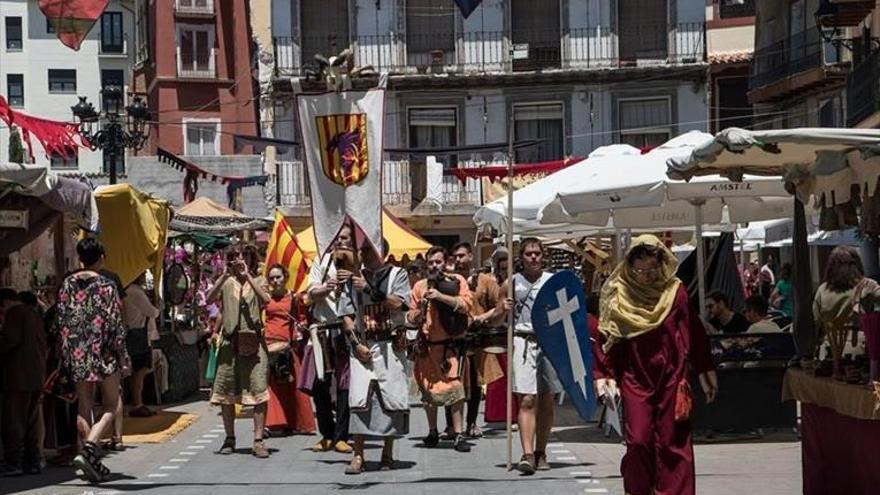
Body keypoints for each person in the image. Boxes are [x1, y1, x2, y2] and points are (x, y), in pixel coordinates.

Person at [594, 235, 717, 495]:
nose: (646, 276)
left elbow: (692, 331)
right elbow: (608, 336)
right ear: (630, 265)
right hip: (634, 377)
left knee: (674, 441)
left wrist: (705, 369)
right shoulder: (619, 293)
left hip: (672, 376)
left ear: (661, 265)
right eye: (640, 270)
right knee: (638, 440)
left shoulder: (675, 292)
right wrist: (604, 373)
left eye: (652, 270)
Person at [55, 238, 127, 482]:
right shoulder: (107, 285)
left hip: (76, 353)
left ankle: (88, 456)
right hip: (103, 353)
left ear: (80, 258)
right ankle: (88, 450)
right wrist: (122, 354)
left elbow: (60, 321)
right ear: (102, 258)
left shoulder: (66, 284)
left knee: (83, 405)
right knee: (110, 403)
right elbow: (116, 324)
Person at [339, 239, 412, 475]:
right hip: (364, 347)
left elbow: (400, 304)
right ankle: (358, 454)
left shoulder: (397, 275)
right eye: (363, 250)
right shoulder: (354, 277)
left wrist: (369, 290)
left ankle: (387, 452)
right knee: (360, 400)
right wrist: (356, 344)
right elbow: (346, 315)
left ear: (382, 252)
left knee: (391, 399)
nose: (364, 254)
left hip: (390, 346)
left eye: (368, 249)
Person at [496, 238, 563, 474]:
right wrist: (503, 309)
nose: (533, 257)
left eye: (537, 253)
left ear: (543, 255)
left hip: (549, 342)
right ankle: (526, 454)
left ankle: (541, 451)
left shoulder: (553, 281)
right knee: (526, 399)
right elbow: (497, 319)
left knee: (546, 400)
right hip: (523, 340)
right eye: (529, 254)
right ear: (521, 257)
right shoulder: (511, 282)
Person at [206, 244, 272, 458]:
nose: (239, 259)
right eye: (234, 256)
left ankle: (258, 440)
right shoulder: (226, 282)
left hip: (254, 343)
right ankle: (230, 438)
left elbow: (267, 301)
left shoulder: (260, 281)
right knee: (226, 391)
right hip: (230, 343)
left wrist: (249, 278)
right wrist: (224, 276)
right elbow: (209, 300)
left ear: (252, 259)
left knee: (258, 389)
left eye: (244, 256)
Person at [411, 245, 474, 453]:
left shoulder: (457, 281)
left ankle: (458, 434)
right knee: (428, 391)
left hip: (449, 348)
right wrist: (416, 315)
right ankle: (432, 431)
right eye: (430, 262)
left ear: (446, 262)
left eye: (438, 262)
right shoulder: (419, 286)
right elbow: (410, 315)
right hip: (427, 348)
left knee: (455, 390)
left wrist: (440, 296)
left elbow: (466, 305)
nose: (434, 266)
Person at [306, 225, 354, 454]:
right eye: (336, 237)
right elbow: (310, 294)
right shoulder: (321, 261)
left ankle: (341, 435)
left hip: (346, 331)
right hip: (323, 331)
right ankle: (326, 433)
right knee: (319, 385)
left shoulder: (357, 264)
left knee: (346, 385)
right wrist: (327, 288)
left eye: (344, 238)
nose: (340, 242)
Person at [452, 241, 503, 438]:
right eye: (455, 257)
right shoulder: (450, 280)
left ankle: (471, 423)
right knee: (453, 384)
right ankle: (451, 426)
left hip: (477, 338)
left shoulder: (485, 281)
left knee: (473, 384)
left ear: (471, 256)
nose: (458, 260)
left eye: (462, 256)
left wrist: (482, 317)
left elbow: (498, 305)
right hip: (454, 339)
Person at [264, 264, 317, 435]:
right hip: (268, 345)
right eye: (272, 278)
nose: (275, 281)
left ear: (285, 277)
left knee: (292, 385)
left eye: (278, 277)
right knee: (271, 386)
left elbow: (303, 318)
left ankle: (296, 422)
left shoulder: (294, 298)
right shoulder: (266, 297)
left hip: (287, 346)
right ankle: (272, 423)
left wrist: (301, 326)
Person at [0, 290, 47, 476]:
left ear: (4, 303)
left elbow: (10, 341)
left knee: (14, 420)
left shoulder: (15, 313)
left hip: (18, 376)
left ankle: (14, 463)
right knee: (31, 421)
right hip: (35, 375)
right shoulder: (33, 314)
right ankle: (32, 461)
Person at [813, 247, 880, 372]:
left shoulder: (822, 290)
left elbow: (816, 322)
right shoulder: (867, 285)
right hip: (861, 350)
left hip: (829, 352)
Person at [123, 272, 160, 418]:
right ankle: (137, 403)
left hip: (133, 332)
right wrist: (156, 305)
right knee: (140, 370)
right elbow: (152, 312)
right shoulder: (136, 292)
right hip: (139, 334)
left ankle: (136, 401)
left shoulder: (127, 290)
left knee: (136, 370)